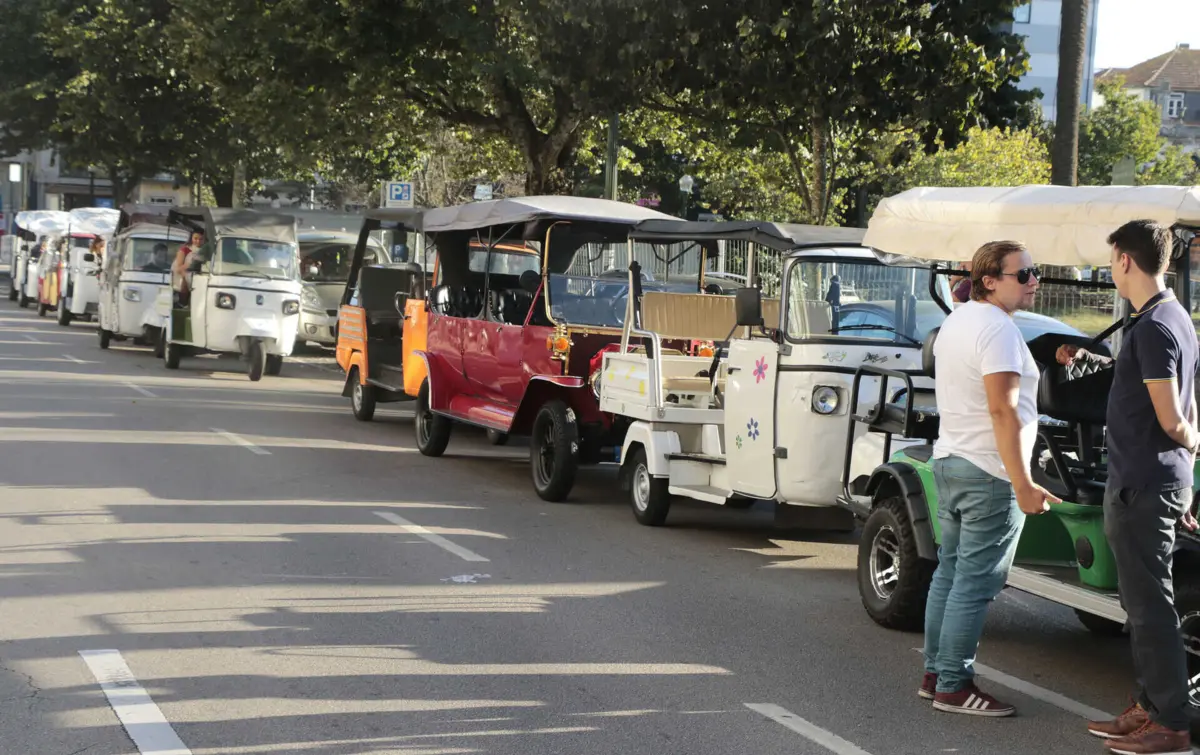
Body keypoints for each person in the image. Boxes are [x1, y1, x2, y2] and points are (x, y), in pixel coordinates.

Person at [1058, 221, 1198, 755]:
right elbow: (1185, 391)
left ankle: (1171, 725)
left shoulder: (1153, 326)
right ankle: (1149, 708)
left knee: (1150, 608)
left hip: (1144, 483)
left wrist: (1191, 440)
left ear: (1124, 261)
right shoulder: (1169, 318)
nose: (1110, 266)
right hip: (1147, 480)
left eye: (1111, 257)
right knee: (1140, 605)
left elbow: (1172, 417)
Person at [921, 240, 1057, 717]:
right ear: (990, 281)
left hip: (953, 460)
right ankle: (953, 686)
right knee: (974, 583)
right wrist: (1022, 482)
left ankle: (936, 674)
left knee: (951, 573)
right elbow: (1002, 409)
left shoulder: (961, 320)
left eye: (1034, 272)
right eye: (1023, 275)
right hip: (988, 472)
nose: (1034, 281)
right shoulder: (996, 329)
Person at [171, 230, 204, 305]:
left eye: (201, 239)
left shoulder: (205, 251)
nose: (198, 241)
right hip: (184, 280)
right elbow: (178, 269)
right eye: (195, 238)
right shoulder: (184, 250)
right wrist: (189, 265)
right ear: (191, 238)